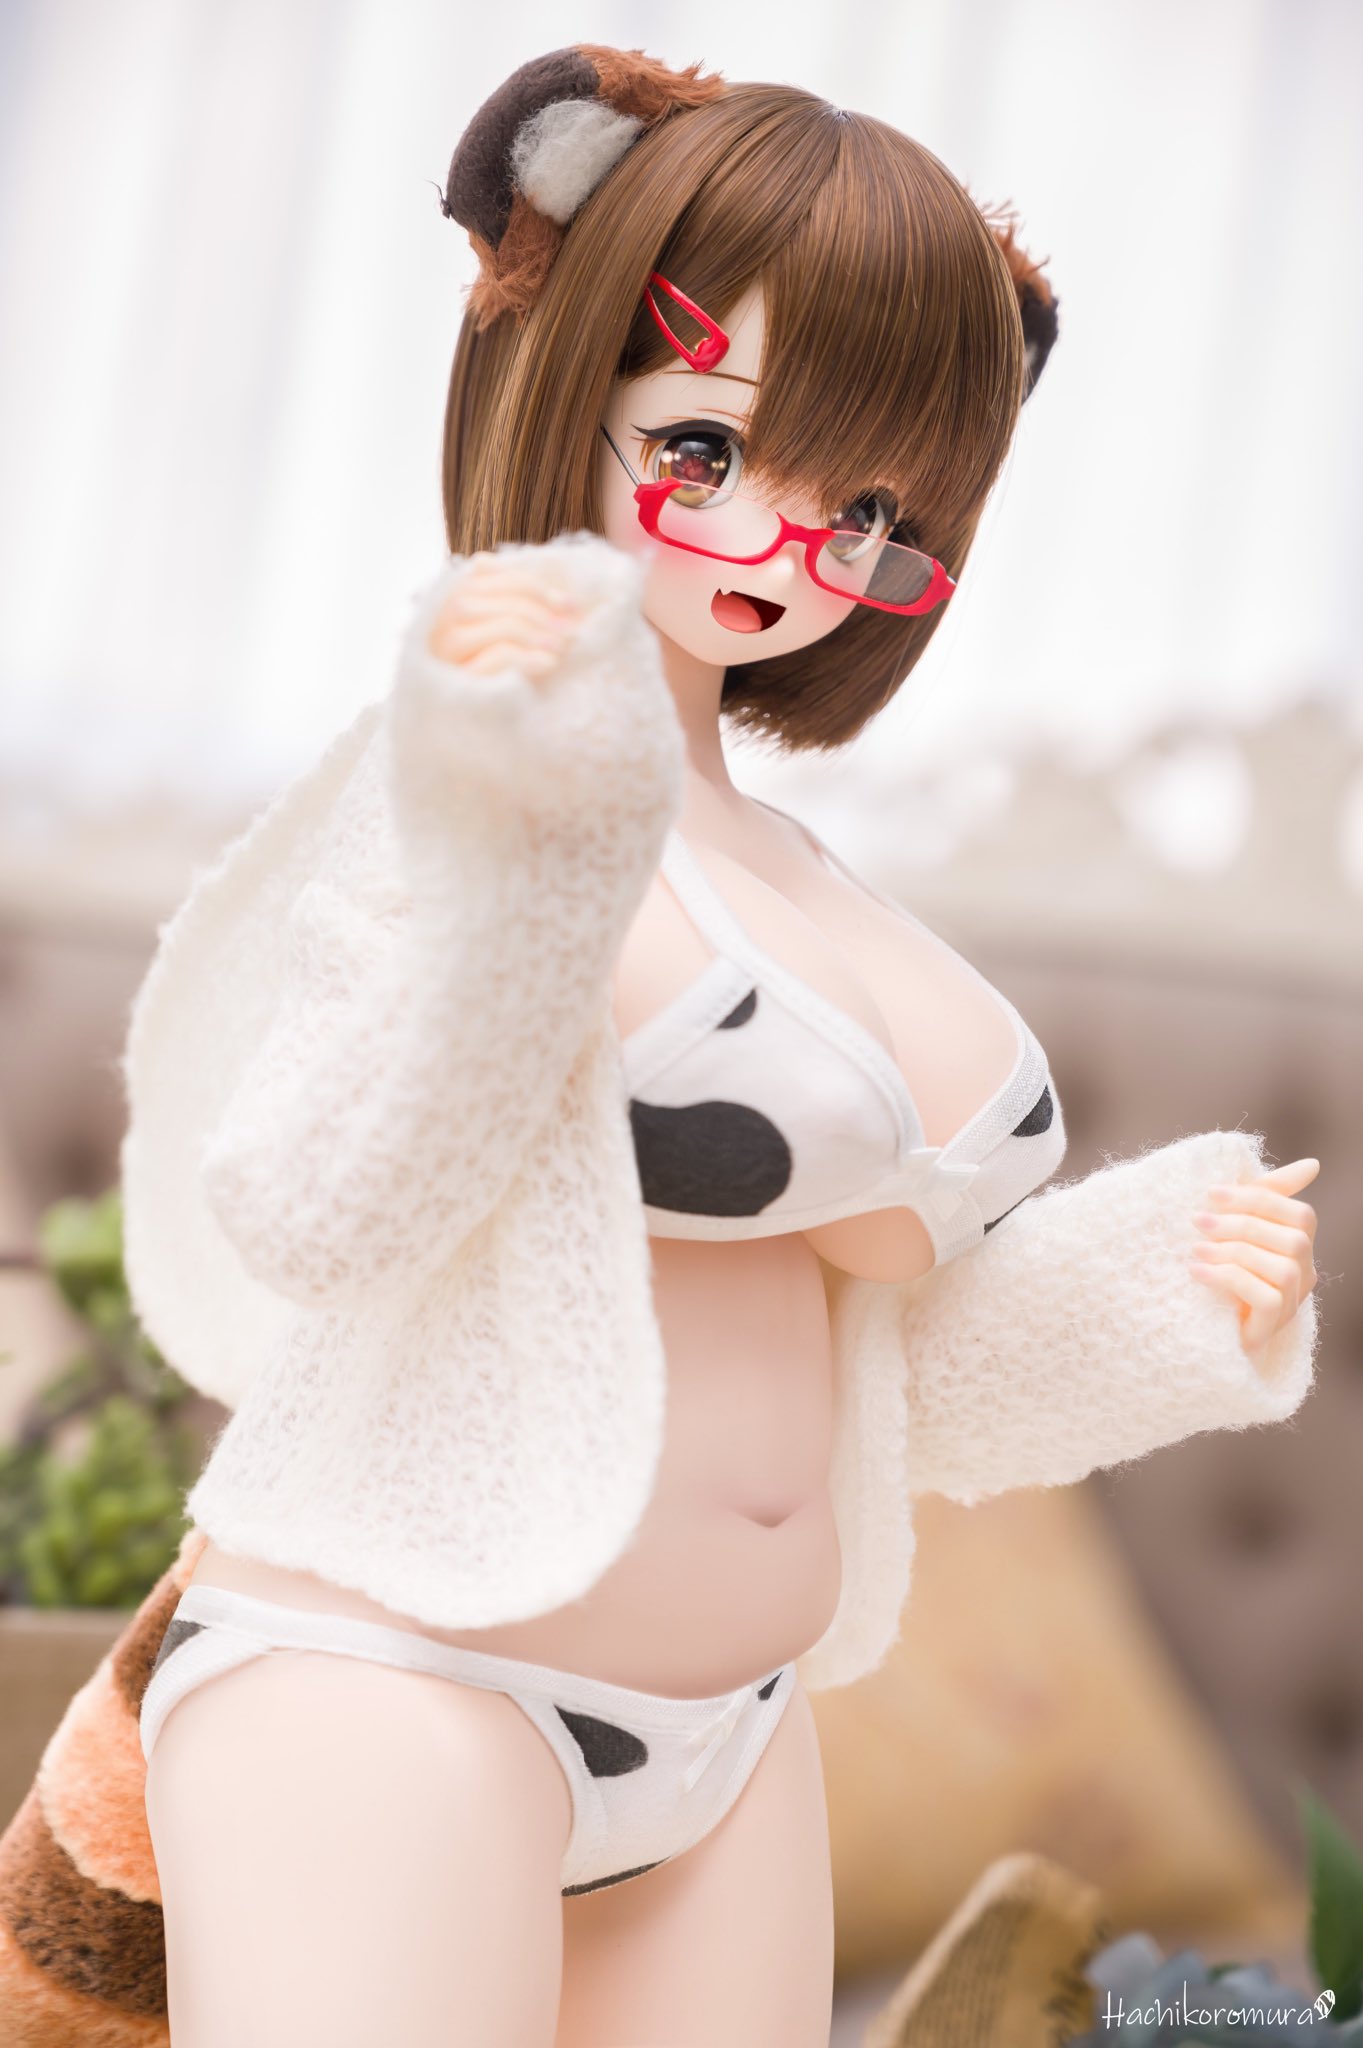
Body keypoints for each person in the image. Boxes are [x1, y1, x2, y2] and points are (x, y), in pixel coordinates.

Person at [111, 45, 1319, 2048]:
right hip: (400, 1692)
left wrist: (1161, 1288)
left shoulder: (798, 870)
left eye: (870, 504)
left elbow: (880, 1374)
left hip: (726, 1738)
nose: (781, 538)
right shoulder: (459, 794)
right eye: (704, 446)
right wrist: (517, 867)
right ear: (564, 377)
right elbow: (321, 1208)